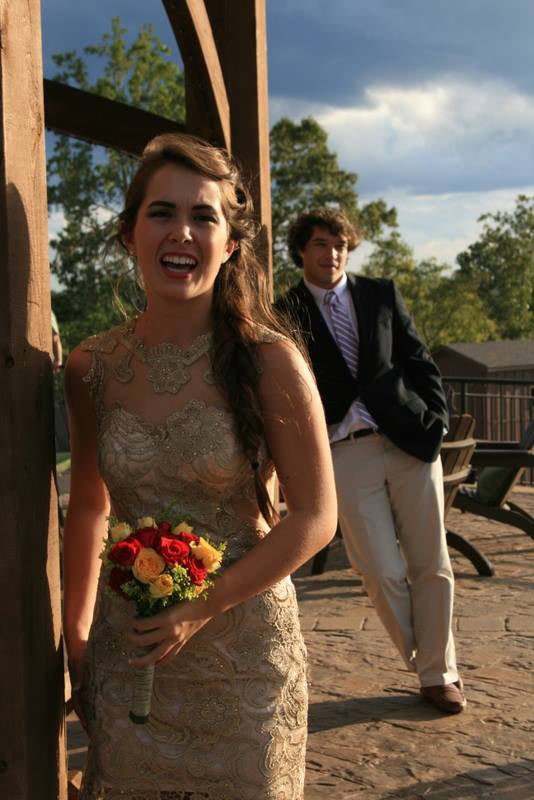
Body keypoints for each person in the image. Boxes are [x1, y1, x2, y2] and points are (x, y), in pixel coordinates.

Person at [63, 135, 337, 799]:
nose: (181, 231)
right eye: (161, 212)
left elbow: (315, 517)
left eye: (203, 216)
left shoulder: (273, 362)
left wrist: (201, 607)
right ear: (129, 235)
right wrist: (75, 639)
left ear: (231, 244)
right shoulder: (91, 367)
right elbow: (92, 507)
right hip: (130, 656)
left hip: (246, 668)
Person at [276, 208, 466, 714]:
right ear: (301, 250)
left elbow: (418, 358)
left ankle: (438, 673)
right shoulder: (285, 311)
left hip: (409, 440)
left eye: (339, 244)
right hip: (344, 450)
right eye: (320, 243)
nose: (331, 253)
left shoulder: (380, 293)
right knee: (379, 569)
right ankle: (429, 659)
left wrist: (437, 420)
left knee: (433, 563)